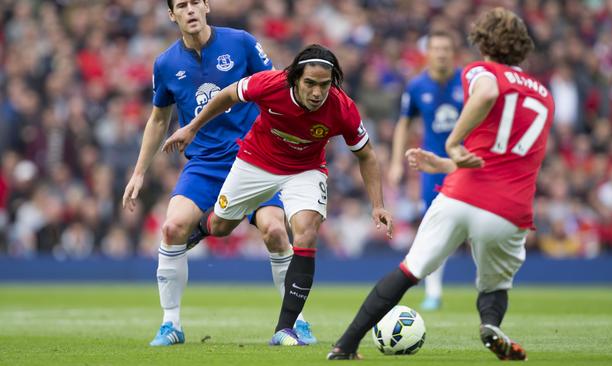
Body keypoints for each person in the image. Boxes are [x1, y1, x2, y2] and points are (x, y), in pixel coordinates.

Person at [327, 7, 554, 361]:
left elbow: (487, 92)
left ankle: (345, 345)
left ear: (482, 41)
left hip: (463, 194)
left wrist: (452, 145)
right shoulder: (543, 93)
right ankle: (491, 324)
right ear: (523, 47)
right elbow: (501, 155)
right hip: (510, 210)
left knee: (409, 270)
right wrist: (446, 163)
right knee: (494, 286)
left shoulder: (481, 71)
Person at [162, 44, 394, 346]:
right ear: (295, 78)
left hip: (305, 171)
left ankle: (286, 327)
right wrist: (192, 127)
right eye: (310, 83)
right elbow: (228, 95)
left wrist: (377, 205)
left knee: (305, 233)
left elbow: (367, 155)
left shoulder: (342, 108)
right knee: (220, 226)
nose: (316, 92)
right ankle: (203, 227)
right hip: (254, 163)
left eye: (324, 85)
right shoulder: (271, 84)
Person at [121, 0, 314, 347]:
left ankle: (297, 321)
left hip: (255, 158)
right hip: (206, 163)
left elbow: (278, 85)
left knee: (274, 230)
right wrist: (138, 173)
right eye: (182, 5)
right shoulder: (166, 63)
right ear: (172, 15)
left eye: (196, 2)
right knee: (172, 227)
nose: (190, 9)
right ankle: (171, 325)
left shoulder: (240, 42)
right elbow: (158, 120)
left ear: (207, 7)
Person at [388, 29, 464, 311]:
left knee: (477, 224)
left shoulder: (468, 82)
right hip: (433, 167)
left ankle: (486, 286)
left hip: (466, 163)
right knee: (433, 224)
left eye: (446, 48)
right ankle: (434, 291)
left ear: (452, 52)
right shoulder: (417, 86)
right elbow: (403, 124)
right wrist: (396, 162)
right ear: (428, 53)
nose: (442, 53)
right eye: (437, 48)